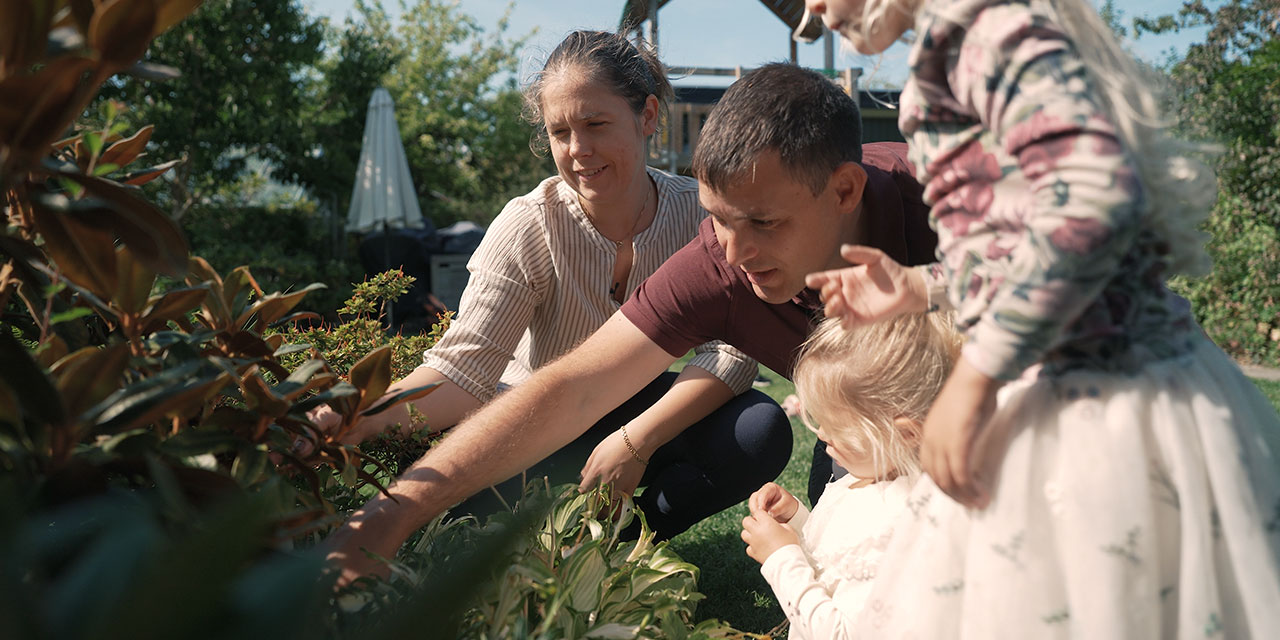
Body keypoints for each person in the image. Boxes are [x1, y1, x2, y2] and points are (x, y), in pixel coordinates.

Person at [325, 62, 939, 584]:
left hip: (997, 413)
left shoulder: (951, 203)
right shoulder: (715, 268)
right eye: (718, 219)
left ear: (845, 191)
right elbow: (574, 386)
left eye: (763, 223)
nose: (732, 252)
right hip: (878, 438)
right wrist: (398, 510)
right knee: (848, 552)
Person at [801, 0, 1280, 636]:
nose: (813, 10)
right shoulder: (961, 43)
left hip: (1110, 402)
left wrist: (974, 378)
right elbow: (1029, 243)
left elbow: (1092, 202)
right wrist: (920, 286)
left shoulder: (983, 34)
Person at [312, 30, 794, 538]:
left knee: (758, 430)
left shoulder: (696, 213)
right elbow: (461, 373)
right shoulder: (528, 225)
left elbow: (733, 351)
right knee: (462, 524)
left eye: (595, 123)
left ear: (647, 116)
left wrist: (636, 440)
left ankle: (617, 545)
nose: (578, 149)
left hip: (635, 409)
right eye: (559, 132)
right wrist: (360, 414)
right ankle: (549, 536)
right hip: (531, 425)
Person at [741, 312, 960, 639]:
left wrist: (781, 558)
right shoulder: (867, 475)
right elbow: (839, 556)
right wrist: (798, 520)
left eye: (837, 425)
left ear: (906, 434)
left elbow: (841, 633)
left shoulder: (902, 523)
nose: (823, 434)